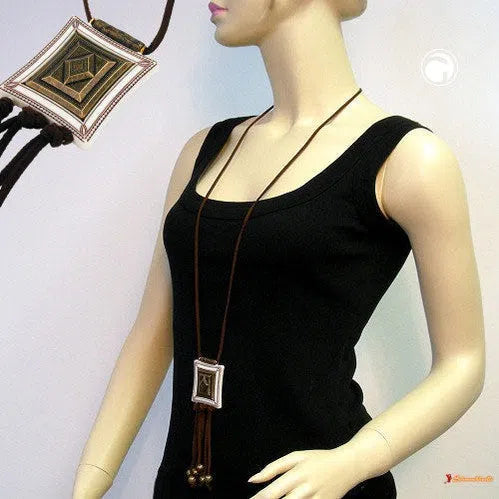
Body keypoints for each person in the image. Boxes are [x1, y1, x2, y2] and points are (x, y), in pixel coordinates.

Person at [73, 1, 485, 498]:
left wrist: (353, 461)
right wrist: (90, 481)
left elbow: (463, 364)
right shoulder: (204, 151)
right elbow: (152, 333)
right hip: (188, 479)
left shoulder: (408, 159)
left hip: (315, 484)